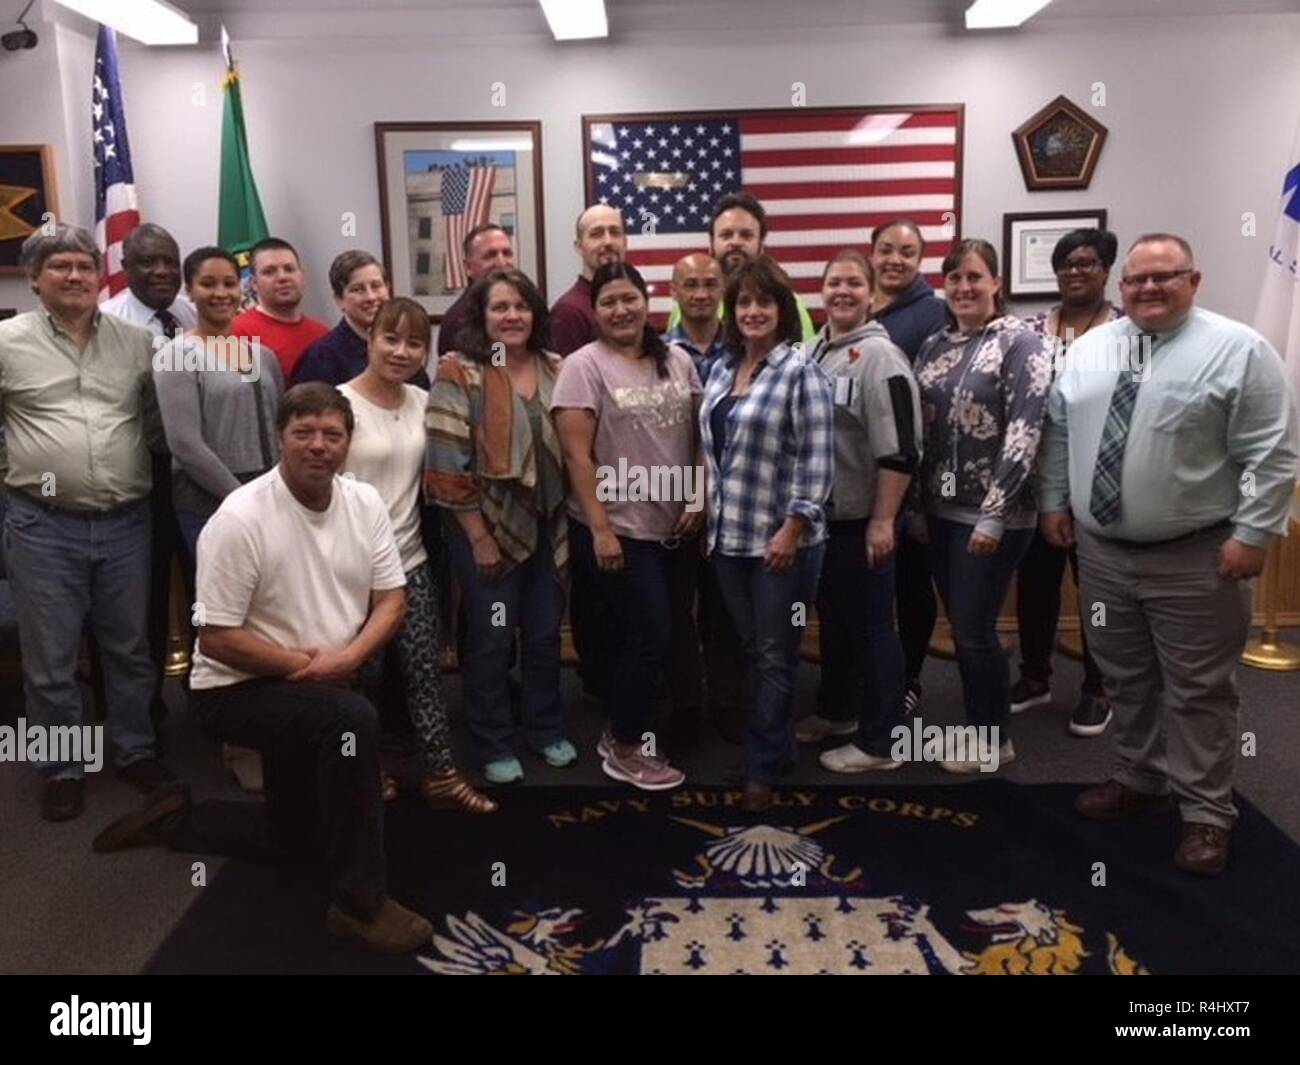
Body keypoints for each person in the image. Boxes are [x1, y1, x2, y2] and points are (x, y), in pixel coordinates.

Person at [92, 383, 433, 953]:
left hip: (312, 680)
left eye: (332, 434)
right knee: (350, 722)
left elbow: (392, 598)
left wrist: (347, 658)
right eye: (304, 433)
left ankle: (177, 817)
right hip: (233, 690)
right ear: (280, 437)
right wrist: (316, 668)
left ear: (349, 443)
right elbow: (218, 639)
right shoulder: (240, 518)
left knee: (294, 838)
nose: (318, 446)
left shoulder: (365, 503)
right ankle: (360, 905)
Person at [1040, 233, 1299, 876]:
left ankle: (1207, 813)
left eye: (1165, 276)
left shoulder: (1238, 351)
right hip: (1102, 553)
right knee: (1126, 676)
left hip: (1200, 555)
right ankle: (1141, 776)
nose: (1148, 288)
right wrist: (1053, 502)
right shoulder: (1091, 349)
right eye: (1137, 280)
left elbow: (1271, 450)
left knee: (1200, 691)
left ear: (1195, 279)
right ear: (1120, 287)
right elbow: (1058, 430)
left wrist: (1255, 533)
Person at [0, 225, 175, 822]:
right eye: (60, 267)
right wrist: (18, 471)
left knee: (129, 648)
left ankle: (133, 751)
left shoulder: (133, 342)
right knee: (50, 659)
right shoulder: (7, 341)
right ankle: (63, 765)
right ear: (35, 279)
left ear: (100, 275)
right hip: (43, 525)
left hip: (127, 522)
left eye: (83, 266)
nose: (74, 276)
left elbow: (155, 426)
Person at [339, 297, 495, 811]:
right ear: (370, 339)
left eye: (413, 343)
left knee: (424, 671)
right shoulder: (339, 404)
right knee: (366, 677)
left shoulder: (423, 400)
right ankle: (370, 771)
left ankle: (442, 775)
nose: (401, 351)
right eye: (391, 338)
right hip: (351, 571)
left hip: (409, 562)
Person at [554, 262, 703, 791]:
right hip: (618, 528)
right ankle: (623, 743)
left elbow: (698, 437)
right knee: (650, 634)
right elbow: (577, 456)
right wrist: (600, 530)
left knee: (657, 631)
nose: (621, 310)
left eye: (629, 299)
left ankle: (624, 724)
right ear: (594, 312)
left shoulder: (679, 360)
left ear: (649, 302)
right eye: (609, 302)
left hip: (675, 528)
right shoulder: (582, 366)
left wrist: (697, 494)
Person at [427, 270, 573, 784]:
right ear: (481, 317)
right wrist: (479, 537)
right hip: (484, 530)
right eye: (500, 308)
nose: (512, 316)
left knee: (542, 635)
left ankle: (545, 727)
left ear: (535, 314)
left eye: (521, 307)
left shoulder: (557, 367)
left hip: (548, 526)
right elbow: (446, 460)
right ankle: (491, 739)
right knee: (491, 636)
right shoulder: (462, 370)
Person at [699, 256, 833, 811]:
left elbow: (818, 459)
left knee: (777, 655)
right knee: (757, 650)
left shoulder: (801, 371)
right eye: (744, 303)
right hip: (728, 539)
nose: (753, 312)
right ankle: (776, 750)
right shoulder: (720, 369)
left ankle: (761, 770)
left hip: (781, 541)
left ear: (783, 310)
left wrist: (793, 526)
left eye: (765, 302)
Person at [914, 238, 1053, 774]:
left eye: (975, 277)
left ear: (996, 282)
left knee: (973, 629)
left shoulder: (1023, 343)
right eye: (953, 279)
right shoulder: (934, 345)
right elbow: (922, 433)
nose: (964, 287)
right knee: (963, 624)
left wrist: (996, 512)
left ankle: (994, 739)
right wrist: (917, 509)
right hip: (941, 513)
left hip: (994, 515)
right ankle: (977, 725)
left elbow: (1026, 429)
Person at [797, 251, 922, 774]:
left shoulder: (880, 358)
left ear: (872, 295)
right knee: (838, 626)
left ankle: (882, 740)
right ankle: (838, 710)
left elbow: (901, 449)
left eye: (854, 283)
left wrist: (882, 521)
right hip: (822, 521)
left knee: (873, 628)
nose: (842, 291)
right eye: (833, 282)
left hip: (862, 522)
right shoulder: (813, 352)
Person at [1014, 229, 1121, 736]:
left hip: (1102, 486)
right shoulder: (1032, 329)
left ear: (1105, 270)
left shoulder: (1127, 331)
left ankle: (1099, 687)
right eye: (1067, 264)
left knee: (1095, 592)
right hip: (1037, 486)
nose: (1076, 271)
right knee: (1036, 585)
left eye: (1088, 263)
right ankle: (1034, 676)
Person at [100, 222, 197, 727]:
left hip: (196, 474)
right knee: (146, 599)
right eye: (147, 261)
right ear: (123, 266)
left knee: (209, 589)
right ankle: (147, 714)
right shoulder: (106, 321)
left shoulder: (193, 313)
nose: (161, 270)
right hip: (142, 476)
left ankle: (207, 700)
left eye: (169, 261)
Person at [153, 247, 284, 568]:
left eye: (229, 283)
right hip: (208, 504)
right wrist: (242, 500)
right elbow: (186, 445)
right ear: (189, 291)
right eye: (208, 284)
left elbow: (282, 425)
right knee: (223, 605)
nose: (221, 293)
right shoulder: (177, 355)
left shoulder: (261, 355)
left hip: (273, 498)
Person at [868, 218, 950, 718]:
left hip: (912, 479)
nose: (895, 259)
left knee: (911, 583)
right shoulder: (859, 307)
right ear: (871, 253)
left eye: (907, 251)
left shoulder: (933, 313)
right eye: (886, 249)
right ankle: (871, 675)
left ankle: (911, 676)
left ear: (920, 259)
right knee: (871, 584)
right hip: (861, 479)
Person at [663, 251, 741, 748]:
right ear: (673, 292)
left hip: (737, 501)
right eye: (689, 284)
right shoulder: (658, 352)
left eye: (710, 284)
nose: (700, 293)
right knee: (675, 609)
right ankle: (685, 705)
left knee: (727, 609)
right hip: (674, 501)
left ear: (723, 289)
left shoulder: (744, 347)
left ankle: (730, 704)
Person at [666, 193, 817, 341]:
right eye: (726, 235)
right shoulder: (683, 305)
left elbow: (802, 357)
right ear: (711, 245)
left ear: (761, 247)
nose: (736, 242)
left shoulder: (788, 302)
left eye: (746, 235)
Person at [293, 250, 430, 389]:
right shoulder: (321, 359)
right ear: (339, 300)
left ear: (388, 289)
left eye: (376, 286)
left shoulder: (405, 350)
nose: (371, 297)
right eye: (358, 289)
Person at [231, 237, 330, 381]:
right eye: (269, 272)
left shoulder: (323, 334)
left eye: (289, 269)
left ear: (302, 276)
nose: (282, 277)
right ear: (253, 283)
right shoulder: (237, 333)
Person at [550, 205, 627, 356]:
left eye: (614, 232)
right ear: (579, 247)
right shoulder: (569, 312)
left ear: (625, 242)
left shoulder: (633, 302)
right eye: (596, 234)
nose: (608, 241)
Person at [437, 223, 516, 356]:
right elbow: (499, 366)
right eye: (490, 255)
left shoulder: (519, 308)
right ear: (468, 267)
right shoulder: (462, 320)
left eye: (507, 253)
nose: (502, 262)